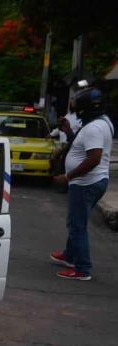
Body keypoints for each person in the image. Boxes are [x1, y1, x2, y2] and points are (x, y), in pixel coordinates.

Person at [50, 87, 114, 281]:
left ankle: (82, 268)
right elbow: (81, 145)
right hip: (93, 181)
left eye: (78, 108)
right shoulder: (102, 122)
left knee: (77, 225)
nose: (76, 111)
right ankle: (70, 255)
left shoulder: (94, 128)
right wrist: (68, 132)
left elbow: (93, 159)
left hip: (86, 183)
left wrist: (68, 176)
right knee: (76, 221)